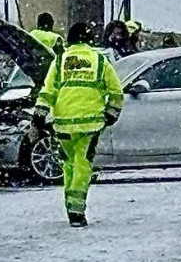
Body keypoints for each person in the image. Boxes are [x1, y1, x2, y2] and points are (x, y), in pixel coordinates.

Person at [33, 22, 123, 227]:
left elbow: (47, 91)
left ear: (70, 40)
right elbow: (116, 92)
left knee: (69, 165)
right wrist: (111, 114)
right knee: (83, 165)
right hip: (89, 124)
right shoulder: (99, 60)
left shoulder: (60, 61)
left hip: (63, 123)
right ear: (89, 40)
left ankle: (70, 206)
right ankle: (76, 210)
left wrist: (39, 115)